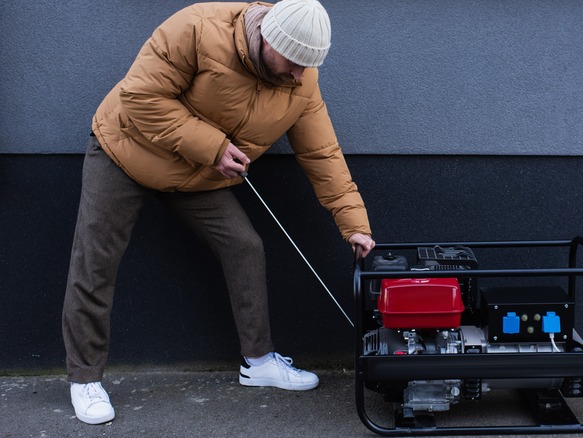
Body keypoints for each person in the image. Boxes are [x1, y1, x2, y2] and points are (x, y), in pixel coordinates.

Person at [62, 0, 375, 425]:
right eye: (296, 61)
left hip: (197, 173)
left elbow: (323, 155)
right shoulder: (197, 28)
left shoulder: (302, 79)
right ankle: (84, 379)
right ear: (269, 40)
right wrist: (210, 147)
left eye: (310, 65)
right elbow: (140, 96)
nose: (301, 74)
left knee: (245, 246)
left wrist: (354, 225)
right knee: (95, 260)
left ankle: (258, 361)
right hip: (125, 149)